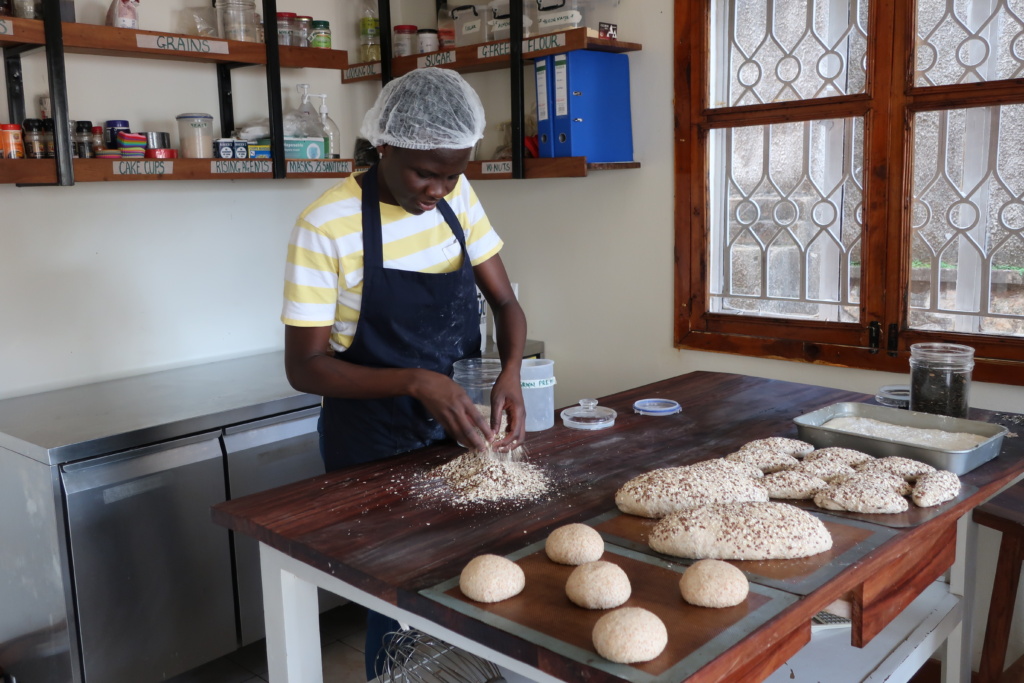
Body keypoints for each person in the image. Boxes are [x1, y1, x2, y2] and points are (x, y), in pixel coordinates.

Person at [280, 68, 527, 680]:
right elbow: (304, 367)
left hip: (458, 426)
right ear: (384, 145)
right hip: (369, 438)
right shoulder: (327, 224)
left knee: (474, 572)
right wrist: (416, 381)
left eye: (453, 173)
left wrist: (511, 371)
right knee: (390, 594)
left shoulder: (457, 199)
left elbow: (506, 304)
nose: (438, 189)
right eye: (425, 172)